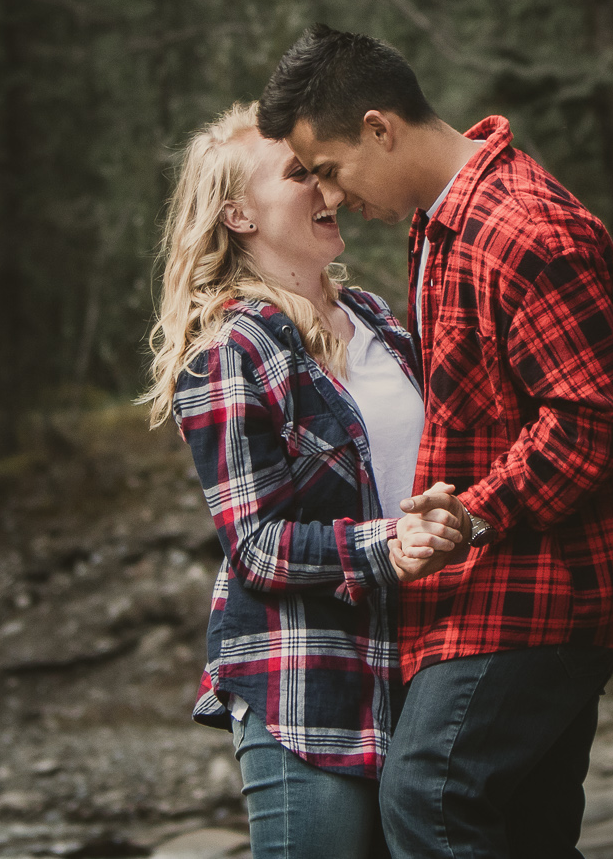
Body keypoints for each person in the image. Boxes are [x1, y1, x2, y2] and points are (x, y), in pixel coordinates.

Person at [259, 25, 613, 859]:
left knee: (430, 797)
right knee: (525, 830)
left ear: (380, 127)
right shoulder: (445, 226)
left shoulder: (529, 229)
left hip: (549, 586)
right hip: (493, 582)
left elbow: (593, 418)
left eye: (333, 170)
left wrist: (475, 512)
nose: (332, 198)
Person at [139, 100, 464, 859]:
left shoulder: (378, 320)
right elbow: (255, 545)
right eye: (297, 173)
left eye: (321, 168)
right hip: (306, 691)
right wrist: (392, 542)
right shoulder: (230, 349)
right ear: (239, 214)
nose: (326, 186)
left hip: (416, 676)